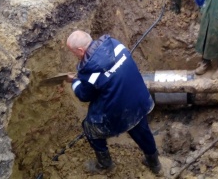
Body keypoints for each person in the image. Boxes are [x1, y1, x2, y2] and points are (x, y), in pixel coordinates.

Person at [66, 30, 162, 175]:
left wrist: (75, 81)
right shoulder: (115, 44)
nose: (75, 56)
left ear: (80, 50)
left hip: (121, 109)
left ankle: (105, 165)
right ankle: (155, 164)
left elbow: (84, 95)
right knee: (139, 125)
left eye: (74, 53)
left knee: (90, 127)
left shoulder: (89, 72)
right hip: (138, 97)